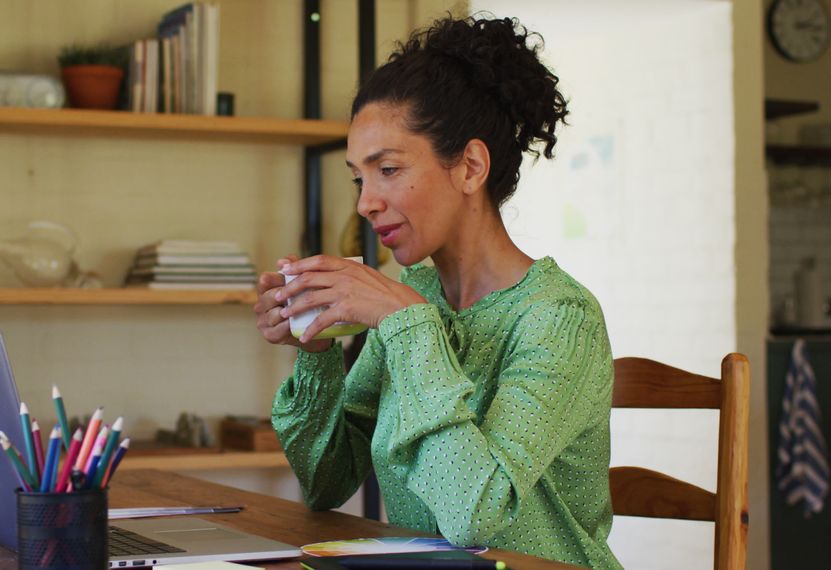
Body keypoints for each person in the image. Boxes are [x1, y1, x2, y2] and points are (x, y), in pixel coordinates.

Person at [253, 14, 621, 569]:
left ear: (470, 166)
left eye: (389, 169)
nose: (365, 202)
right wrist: (315, 350)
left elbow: (475, 515)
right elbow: (326, 482)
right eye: (360, 177)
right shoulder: (418, 295)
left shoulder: (558, 318)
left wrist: (408, 324)